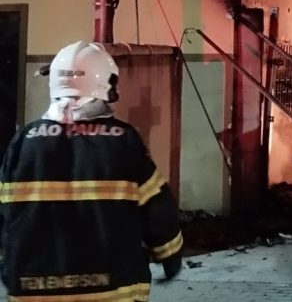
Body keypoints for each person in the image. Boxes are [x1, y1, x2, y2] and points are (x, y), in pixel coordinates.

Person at [0, 41, 183, 301]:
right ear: (104, 86)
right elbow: (157, 209)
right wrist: (170, 255)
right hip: (112, 291)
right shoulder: (124, 141)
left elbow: (4, 214)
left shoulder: (22, 142)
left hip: (33, 291)